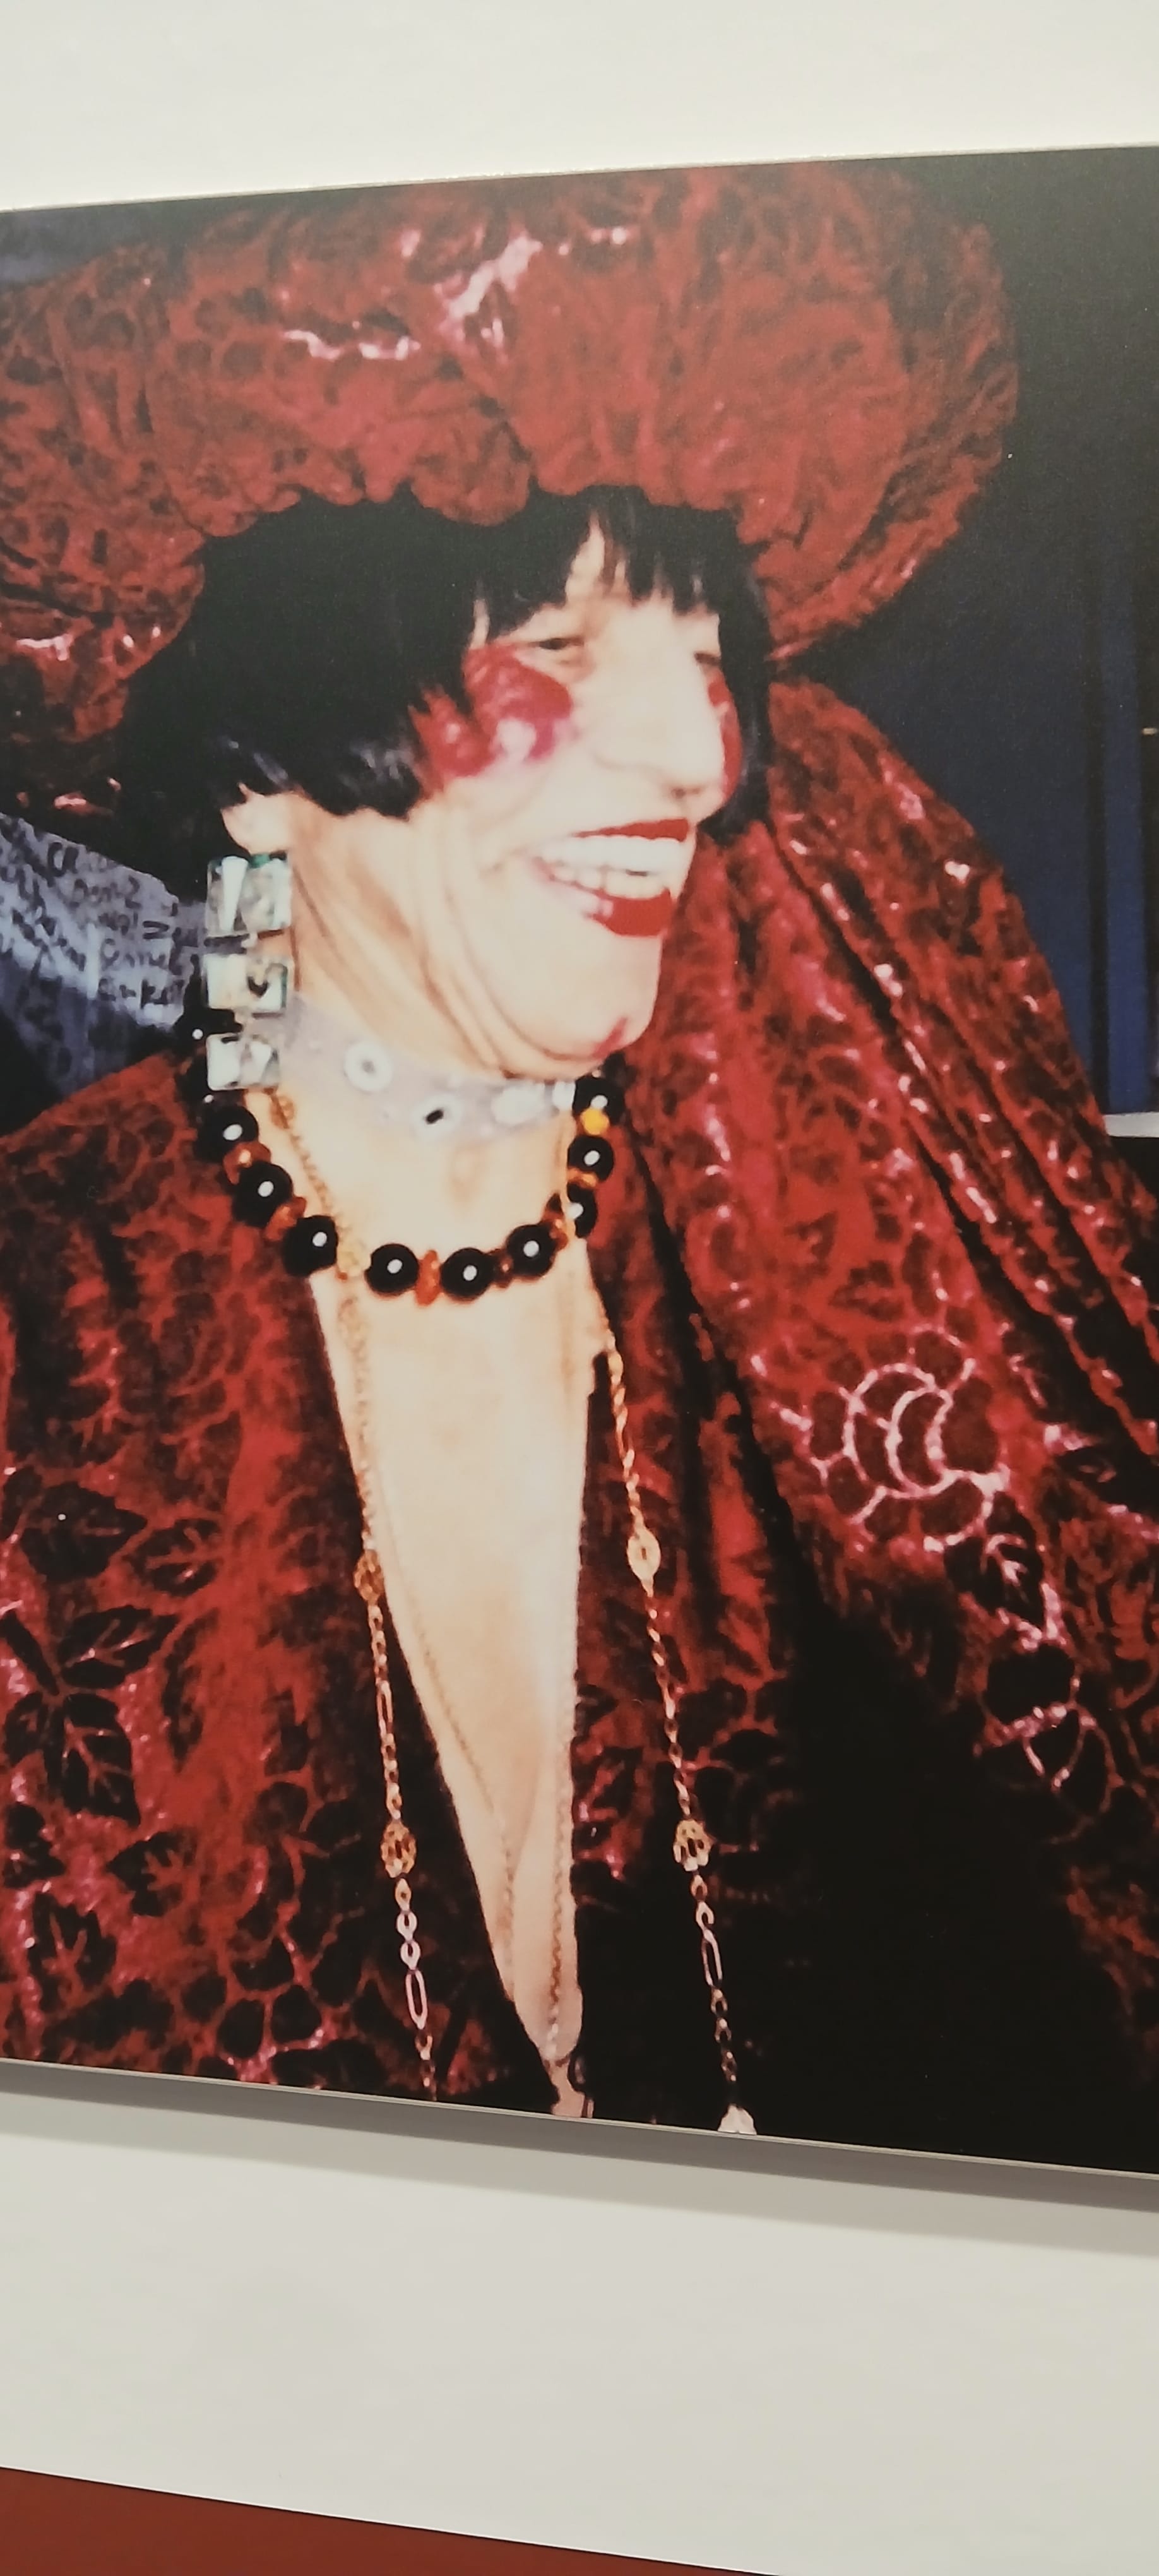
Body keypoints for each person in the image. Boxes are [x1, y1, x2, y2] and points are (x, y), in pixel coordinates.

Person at [3, 164, 1159, 2161]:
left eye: (706, 649)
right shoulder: (54, 1318)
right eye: (556, 642)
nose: (702, 756)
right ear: (264, 758)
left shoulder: (823, 1197)